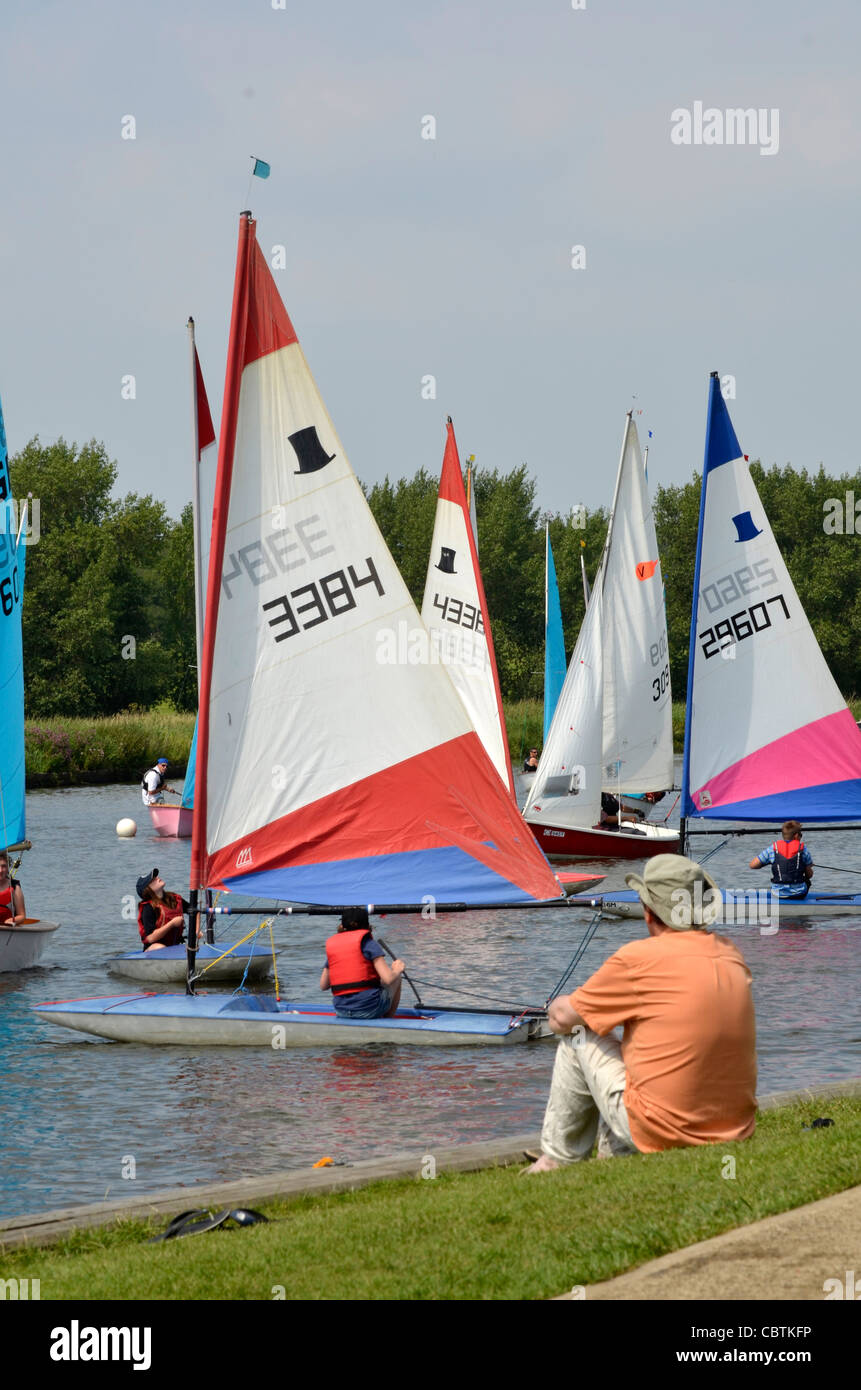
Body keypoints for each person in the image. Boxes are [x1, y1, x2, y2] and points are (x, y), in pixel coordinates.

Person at [523, 854, 757, 1173]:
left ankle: (557, 1160)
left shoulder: (638, 959)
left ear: (649, 912)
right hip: (733, 1129)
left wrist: (557, 1003)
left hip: (665, 1132)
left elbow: (562, 1020)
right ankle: (614, 1156)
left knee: (577, 1036)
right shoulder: (731, 954)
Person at [320, 907, 405, 1019]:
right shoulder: (369, 944)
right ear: (366, 924)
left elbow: (323, 985)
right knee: (397, 979)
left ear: (342, 925)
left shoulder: (334, 947)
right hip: (369, 1010)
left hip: (341, 1011)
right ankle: (388, 1020)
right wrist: (397, 970)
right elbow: (388, 979)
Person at [749, 820, 812, 899]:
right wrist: (808, 866)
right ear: (796, 836)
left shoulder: (773, 849)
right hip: (799, 894)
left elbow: (752, 865)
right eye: (801, 835)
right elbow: (809, 875)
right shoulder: (803, 849)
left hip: (777, 894)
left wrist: (768, 862)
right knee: (807, 881)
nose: (801, 837)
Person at [136, 868, 190, 950]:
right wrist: (172, 924)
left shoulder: (174, 898)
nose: (158, 878)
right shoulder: (148, 908)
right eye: (153, 880)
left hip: (175, 944)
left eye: (156, 877)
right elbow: (150, 938)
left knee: (191, 946)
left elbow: (195, 911)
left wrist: (196, 931)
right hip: (154, 948)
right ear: (147, 889)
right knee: (161, 947)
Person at [0, 851, 26, 925]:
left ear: (8, 868)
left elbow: (22, 916)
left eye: (4, 866)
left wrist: (11, 920)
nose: (0, 870)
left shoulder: (15, 887)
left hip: (8, 929)